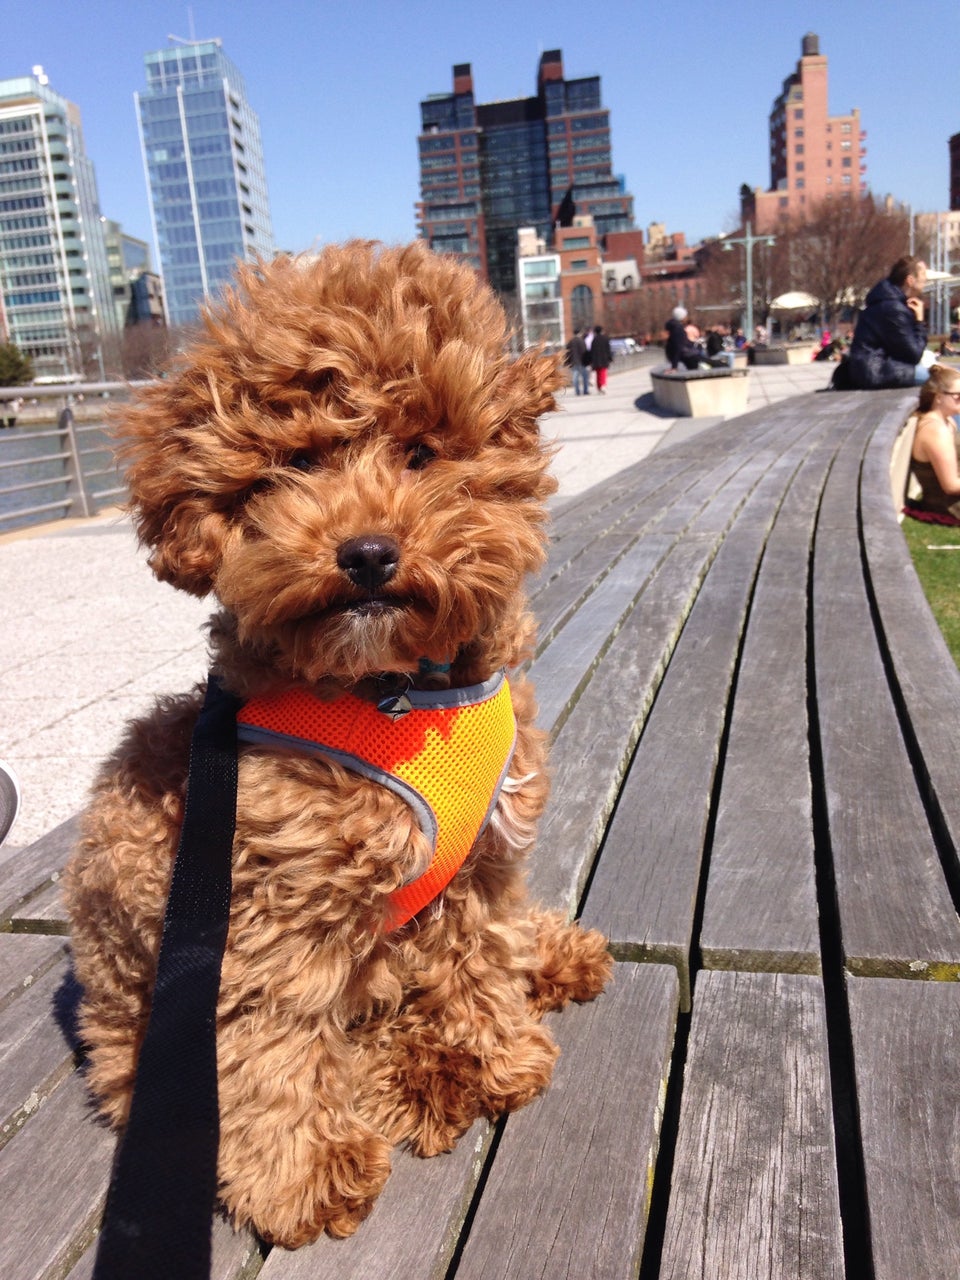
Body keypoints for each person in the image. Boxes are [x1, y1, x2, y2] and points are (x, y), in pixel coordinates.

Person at [848, 256, 930, 389]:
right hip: (877, 371)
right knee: (948, 382)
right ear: (910, 280)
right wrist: (919, 322)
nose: (926, 279)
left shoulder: (888, 302)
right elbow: (913, 355)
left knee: (949, 376)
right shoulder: (893, 309)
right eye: (923, 274)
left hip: (878, 368)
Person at [903, 363, 960, 525]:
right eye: (958, 396)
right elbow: (950, 485)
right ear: (939, 397)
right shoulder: (936, 431)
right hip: (950, 506)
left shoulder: (946, 421)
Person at [664, 306, 704, 370]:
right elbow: (678, 347)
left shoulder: (673, 327)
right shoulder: (678, 328)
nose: (687, 317)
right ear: (682, 317)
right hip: (688, 357)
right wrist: (674, 366)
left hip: (686, 355)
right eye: (686, 316)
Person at [566, 329, 590, 396]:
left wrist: (567, 362)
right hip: (582, 362)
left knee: (575, 377)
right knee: (585, 377)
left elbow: (567, 353)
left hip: (574, 362)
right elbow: (585, 352)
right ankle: (585, 390)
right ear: (579, 333)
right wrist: (587, 361)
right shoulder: (582, 341)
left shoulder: (570, 342)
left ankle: (577, 391)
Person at [589, 324, 613, 393]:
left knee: (598, 374)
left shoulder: (594, 340)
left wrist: (591, 360)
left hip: (596, 360)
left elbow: (592, 351)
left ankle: (599, 387)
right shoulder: (605, 339)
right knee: (603, 373)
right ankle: (603, 385)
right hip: (604, 359)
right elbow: (608, 349)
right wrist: (610, 358)